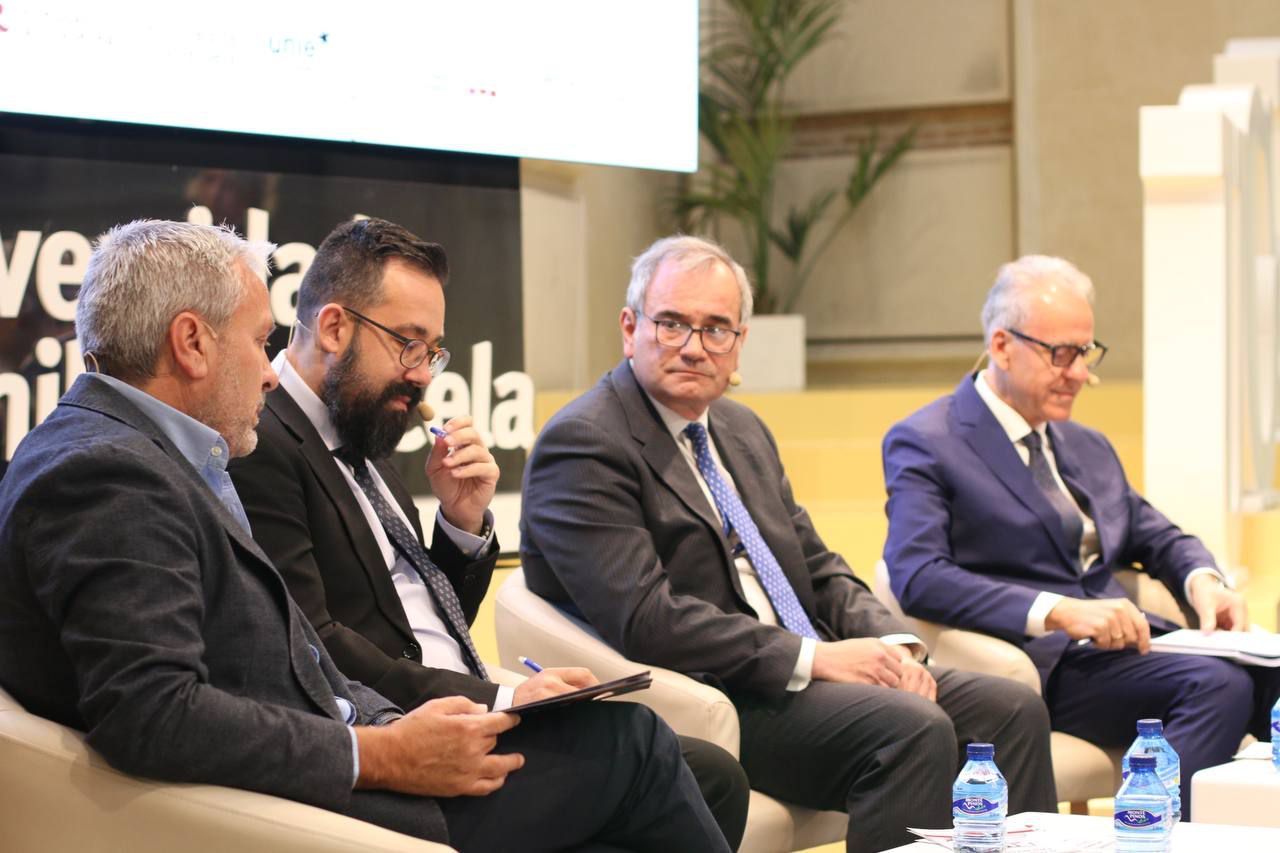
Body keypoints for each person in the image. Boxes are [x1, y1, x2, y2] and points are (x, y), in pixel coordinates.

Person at [0, 219, 732, 853]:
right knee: (633, 746)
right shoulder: (106, 474)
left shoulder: (143, 455)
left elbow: (288, 656)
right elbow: (151, 714)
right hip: (302, 805)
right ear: (191, 342)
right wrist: (382, 752)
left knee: (642, 784)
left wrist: (412, 720)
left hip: (349, 749)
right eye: (260, 342)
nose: (268, 370)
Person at [519, 234, 1058, 853]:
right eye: (671, 324)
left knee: (1012, 708)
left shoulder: (740, 429)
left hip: (805, 674)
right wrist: (814, 658)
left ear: (740, 342)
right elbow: (647, 618)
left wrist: (894, 645)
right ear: (629, 326)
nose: (694, 348)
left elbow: (817, 566)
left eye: (716, 329)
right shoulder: (584, 443)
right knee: (911, 730)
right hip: (717, 695)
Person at [228, 217, 749, 847]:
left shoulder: (363, 425)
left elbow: (412, 616)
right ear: (335, 327)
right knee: (636, 742)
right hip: (397, 734)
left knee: (713, 775)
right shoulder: (262, 441)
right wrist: (502, 694)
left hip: (462, 705)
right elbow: (317, 642)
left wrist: (460, 522)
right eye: (408, 344)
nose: (423, 374)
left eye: (433, 351)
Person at [881, 254, 1280, 816]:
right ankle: (1141, 832)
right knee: (1219, 686)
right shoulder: (929, 439)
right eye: (1061, 354)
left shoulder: (1083, 443)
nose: (1080, 373)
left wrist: (1203, 581)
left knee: (1270, 678)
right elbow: (918, 575)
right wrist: (1057, 610)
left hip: (1132, 651)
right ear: (1001, 346)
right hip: (1045, 662)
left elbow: (1156, 534)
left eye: (1086, 353)